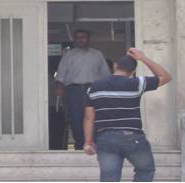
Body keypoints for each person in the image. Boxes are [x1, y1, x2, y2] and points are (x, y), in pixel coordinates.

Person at [82, 48, 172, 182]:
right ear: (133, 71)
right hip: (132, 136)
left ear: (115, 66)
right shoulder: (136, 83)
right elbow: (165, 77)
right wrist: (143, 58)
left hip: (105, 138)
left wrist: (88, 142)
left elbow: (89, 117)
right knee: (145, 170)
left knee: (109, 178)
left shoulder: (94, 87)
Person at [54, 29, 111, 150]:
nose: (81, 40)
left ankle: (93, 144)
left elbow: (106, 75)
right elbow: (61, 75)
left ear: (88, 39)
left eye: (83, 37)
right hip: (74, 91)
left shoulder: (97, 54)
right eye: (78, 37)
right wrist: (59, 88)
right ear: (74, 40)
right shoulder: (68, 55)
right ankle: (80, 145)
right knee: (76, 119)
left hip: (93, 90)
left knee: (94, 118)